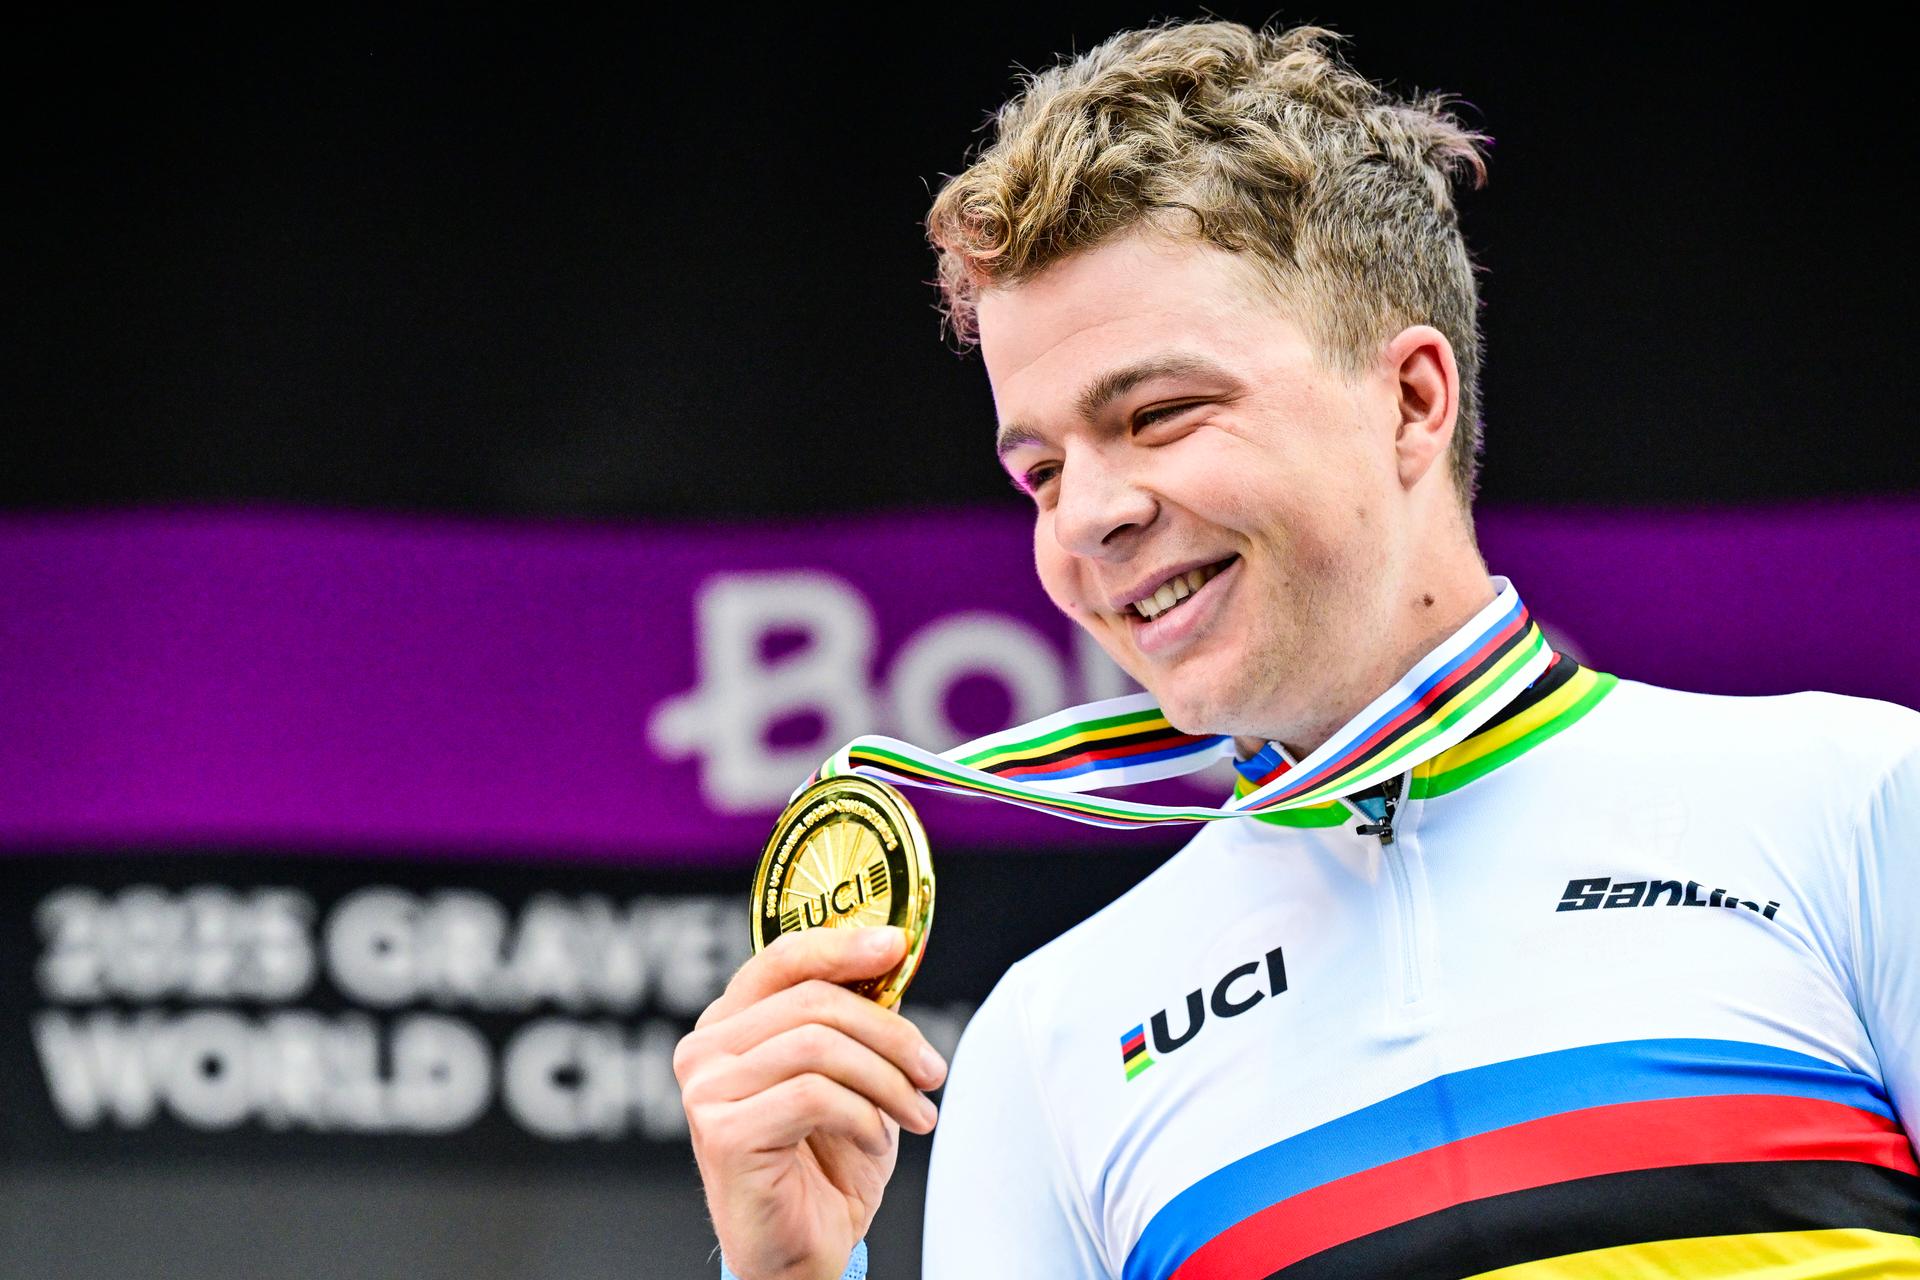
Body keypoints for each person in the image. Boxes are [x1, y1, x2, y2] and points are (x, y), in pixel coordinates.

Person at [674, 21, 1920, 1279]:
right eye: (1041, 471)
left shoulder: (1854, 802)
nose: (1088, 515)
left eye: (1160, 413)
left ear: (1412, 400)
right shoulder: (1047, 1046)